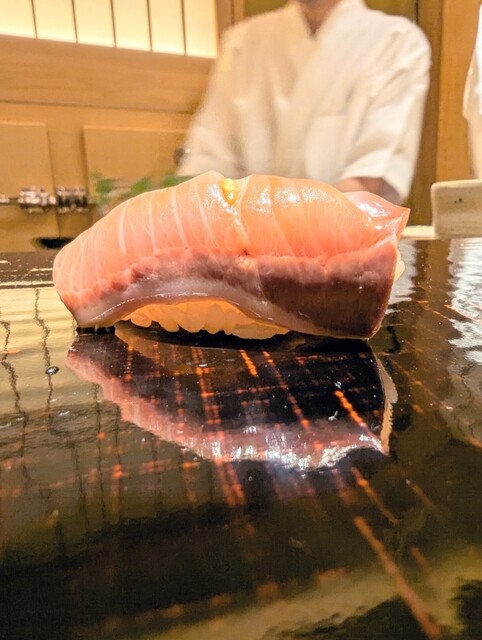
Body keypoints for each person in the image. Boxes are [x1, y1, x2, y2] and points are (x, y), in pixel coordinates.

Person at [177, 0, 431, 204]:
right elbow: (206, 168)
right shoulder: (242, 41)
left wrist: (278, 226)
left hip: (342, 239)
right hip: (237, 239)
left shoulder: (397, 42)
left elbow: (369, 180)